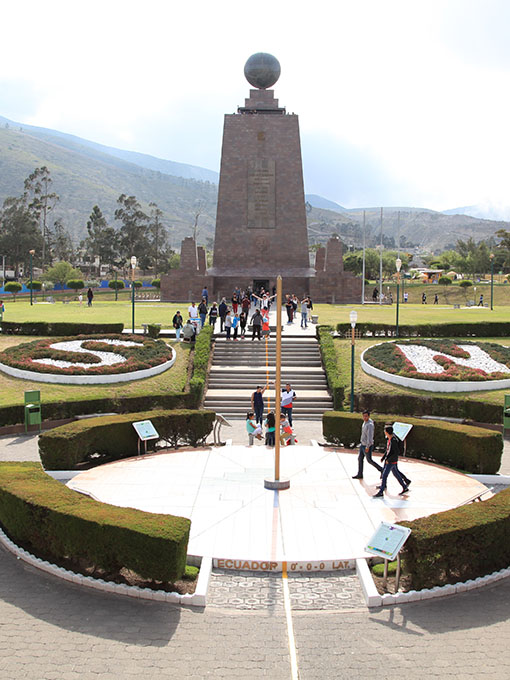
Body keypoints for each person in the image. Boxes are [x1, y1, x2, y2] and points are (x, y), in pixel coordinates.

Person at [373, 425, 411, 498]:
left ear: (387, 432)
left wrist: (388, 459)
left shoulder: (393, 441)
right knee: (396, 474)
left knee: (384, 475)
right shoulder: (390, 439)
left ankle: (381, 491)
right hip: (391, 460)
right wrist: (384, 457)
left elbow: (395, 452)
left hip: (391, 461)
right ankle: (404, 487)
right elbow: (388, 450)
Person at [353, 410, 383, 479]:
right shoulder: (364, 422)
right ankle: (360, 474)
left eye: (366, 416)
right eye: (363, 416)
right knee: (360, 459)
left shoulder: (370, 425)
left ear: (369, 416)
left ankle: (381, 469)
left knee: (369, 460)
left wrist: (367, 446)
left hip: (367, 445)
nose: (364, 417)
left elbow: (370, 437)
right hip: (362, 444)